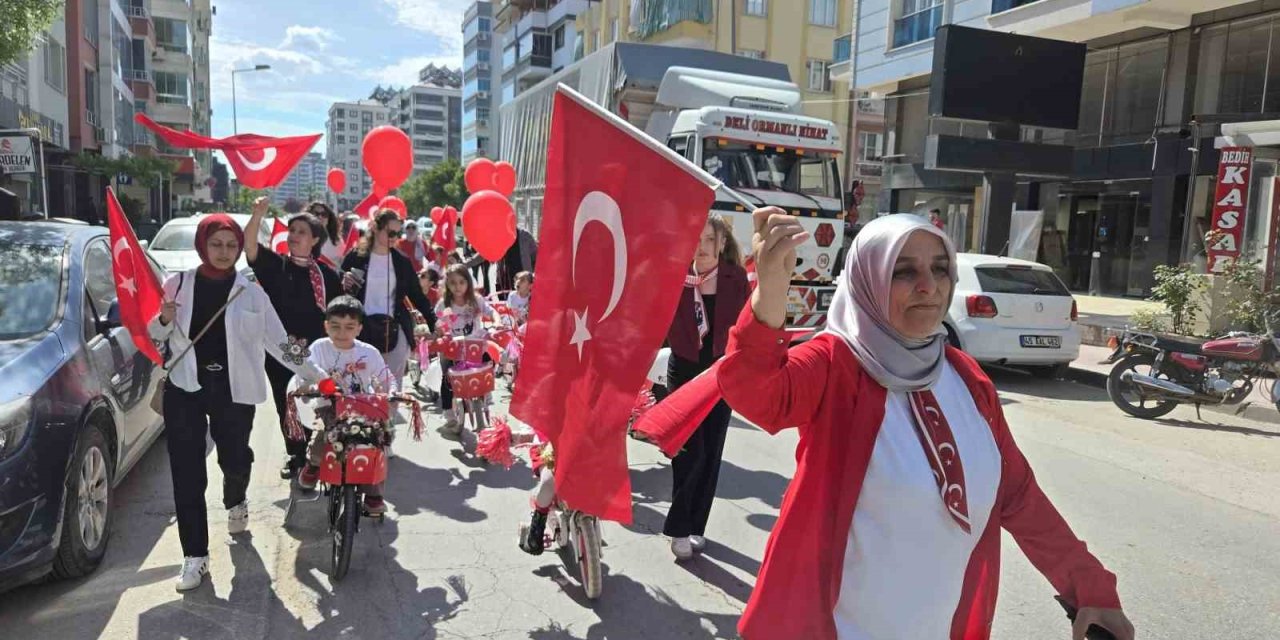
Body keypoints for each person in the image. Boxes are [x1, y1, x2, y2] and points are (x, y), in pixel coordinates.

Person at [719, 207, 1134, 640]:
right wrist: (770, 292)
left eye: (940, 269)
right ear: (868, 280)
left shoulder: (965, 377)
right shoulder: (835, 364)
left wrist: (1091, 588)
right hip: (837, 626)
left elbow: (1017, 494)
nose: (929, 286)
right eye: (903, 271)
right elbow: (758, 393)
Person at [148, 214, 325, 593]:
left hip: (234, 391)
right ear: (203, 246)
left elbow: (279, 341)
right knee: (187, 473)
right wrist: (163, 319)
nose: (225, 252)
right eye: (217, 244)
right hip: (186, 388)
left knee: (235, 459)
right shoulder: (178, 284)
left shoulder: (251, 292)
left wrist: (317, 374)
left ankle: (235, 498)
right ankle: (195, 556)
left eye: (231, 245)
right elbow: (155, 333)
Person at [664, 216, 750, 560]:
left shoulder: (734, 278)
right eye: (695, 239)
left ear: (721, 244)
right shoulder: (676, 277)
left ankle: (696, 526)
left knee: (711, 452)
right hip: (683, 371)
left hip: (720, 373)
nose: (701, 247)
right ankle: (678, 528)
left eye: (709, 240)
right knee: (690, 451)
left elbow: (747, 324)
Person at [244, 196, 344, 480]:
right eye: (292, 230)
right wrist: (257, 215)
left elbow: (339, 314)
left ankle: (316, 450)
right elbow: (249, 247)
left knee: (319, 403)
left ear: (314, 240)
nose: (294, 235)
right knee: (286, 405)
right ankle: (296, 454)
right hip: (282, 352)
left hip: (317, 353)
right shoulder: (276, 265)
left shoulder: (327, 275)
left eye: (301, 231)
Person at [296, 295, 395, 515]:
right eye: (335, 327)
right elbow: (305, 374)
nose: (342, 333)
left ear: (359, 328)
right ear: (326, 326)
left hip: (362, 406)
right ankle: (313, 464)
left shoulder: (369, 352)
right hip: (328, 405)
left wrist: (394, 391)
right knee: (325, 434)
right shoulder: (318, 348)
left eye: (349, 327)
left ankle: (372, 493)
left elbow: (385, 376)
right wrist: (307, 387)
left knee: (374, 440)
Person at [340, 209, 437, 387]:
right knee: (361, 387)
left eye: (398, 233)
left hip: (395, 330)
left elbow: (417, 296)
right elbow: (338, 287)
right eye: (390, 232)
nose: (395, 237)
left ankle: (389, 415)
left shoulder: (402, 261)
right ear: (376, 229)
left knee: (391, 388)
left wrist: (434, 322)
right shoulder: (356, 257)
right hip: (361, 331)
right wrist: (343, 281)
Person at [435, 264, 493, 439]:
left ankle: (487, 394)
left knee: (489, 360)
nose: (457, 286)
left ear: (468, 282)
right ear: (447, 285)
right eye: (452, 283)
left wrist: (496, 322)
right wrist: (439, 333)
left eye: (461, 282)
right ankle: (449, 413)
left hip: (474, 346)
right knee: (447, 377)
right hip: (453, 347)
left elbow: (491, 313)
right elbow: (437, 325)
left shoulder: (476, 300)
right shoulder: (444, 304)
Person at [307, 201, 344, 268]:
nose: (320, 217)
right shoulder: (303, 237)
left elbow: (342, 260)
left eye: (324, 214)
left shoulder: (336, 239)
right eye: (316, 213)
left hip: (331, 276)